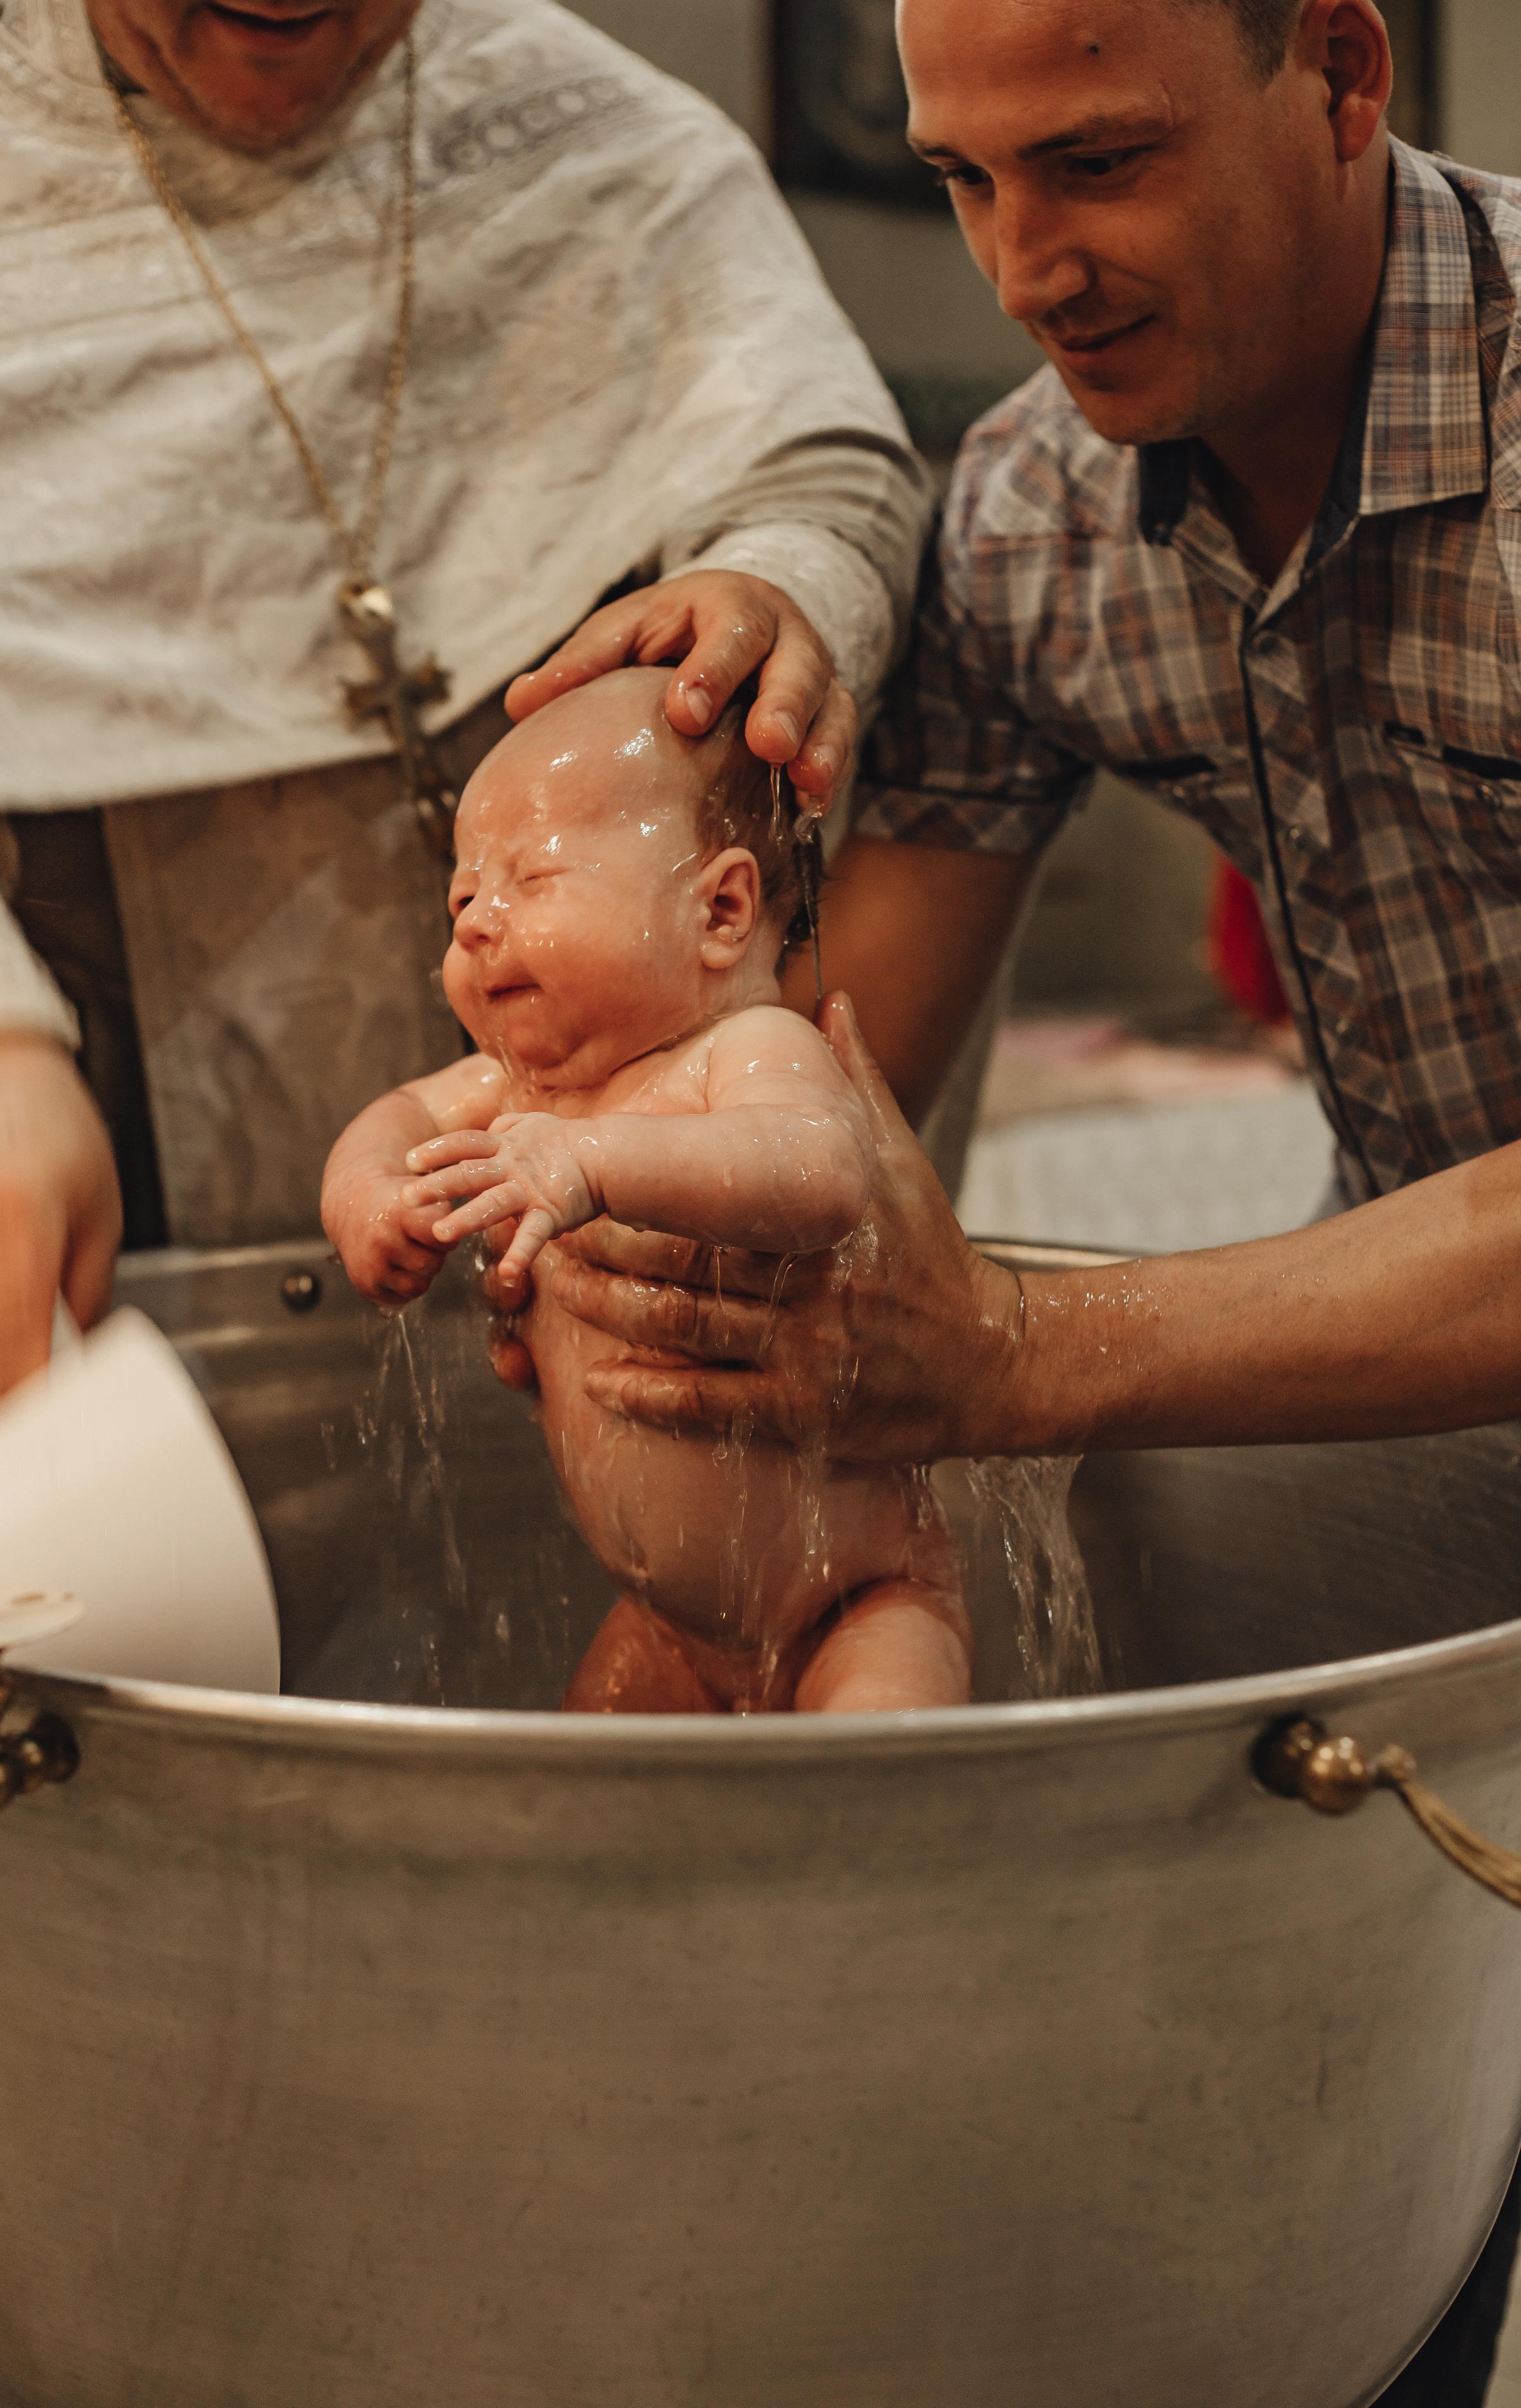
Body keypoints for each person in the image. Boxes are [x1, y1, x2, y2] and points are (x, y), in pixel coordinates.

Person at [491, 0, 1521, 2395]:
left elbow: (987, 1334)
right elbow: (838, 1073)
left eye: (1102, 158)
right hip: (1455, 1378)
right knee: (1408, 2152)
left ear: (1349, 77)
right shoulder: (1041, 524)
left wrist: (1029, 1356)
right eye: (966, 182)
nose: (1026, 264)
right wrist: (601, 1105)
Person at [0, 0, 930, 1402]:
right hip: (48, 1123)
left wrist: (774, 584)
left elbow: (820, 467)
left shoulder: (570, 120)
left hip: (606, 1177)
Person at [321, 667, 971, 1713]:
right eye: (462, 898)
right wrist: (367, 1197)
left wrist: (590, 1163)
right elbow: (393, 1120)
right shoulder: (516, 1090)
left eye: (530, 881)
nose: (478, 923)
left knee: (867, 1807)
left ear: (720, 909)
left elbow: (819, 1169)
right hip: (672, 1627)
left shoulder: (745, 1050)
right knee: (592, 1836)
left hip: (855, 1604)